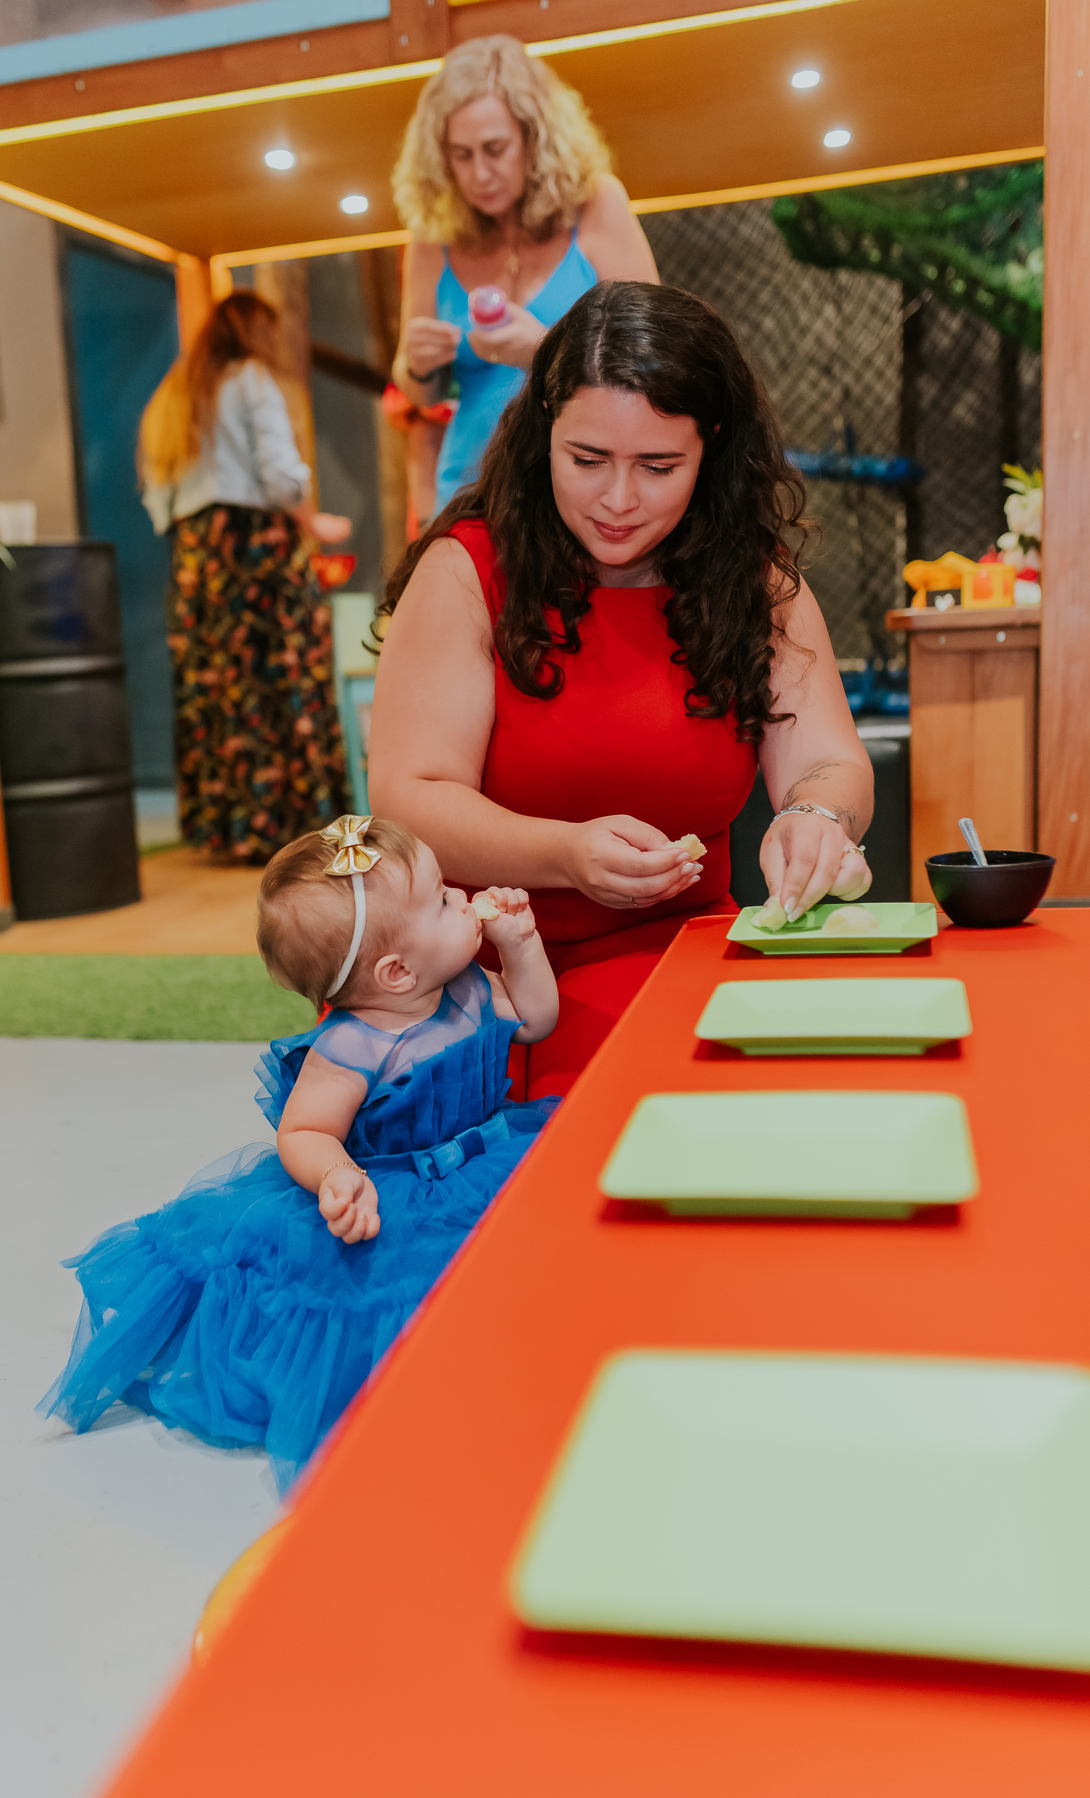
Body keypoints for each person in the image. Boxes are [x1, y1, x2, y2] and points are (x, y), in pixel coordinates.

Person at [370, 282, 874, 1100]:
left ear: (712, 448)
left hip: (683, 958)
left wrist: (817, 818)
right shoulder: (467, 571)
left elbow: (829, 762)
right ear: (543, 431)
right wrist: (563, 856)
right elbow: (409, 798)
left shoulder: (755, 583)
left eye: (659, 467)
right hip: (480, 981)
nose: (618, 500)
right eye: (587, 460)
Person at [39, 815, 559, 1489]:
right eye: (440, 899)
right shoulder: (352, 1046)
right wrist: (336, 1174)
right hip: (396, 1188)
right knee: (396, 1290)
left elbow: (535, 1019)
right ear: (397, 971)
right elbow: (305, 1131)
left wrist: (521, 944)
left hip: (496, 1152)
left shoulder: (466, 984)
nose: (463, 898)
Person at [391, 34, 658, 519]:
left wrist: (542, 351)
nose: (480, 174)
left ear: (534, 139)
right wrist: (419, 365)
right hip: (468, 496)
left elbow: (655, 362)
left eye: (495, 149)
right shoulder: (432, 237)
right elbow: (419, 390)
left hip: (584, 503)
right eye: (461, 155)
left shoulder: (596, 204)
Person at [139, 291, 352, 862]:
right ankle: (292, 826)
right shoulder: (251, 380)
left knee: (216, 684)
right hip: (256, 549)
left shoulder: (174, 394)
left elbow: (157, 492)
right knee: (282, 675)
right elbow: (280, 476)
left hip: (197, 555)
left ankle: (228, 829)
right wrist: (311, 521)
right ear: (256, 332)